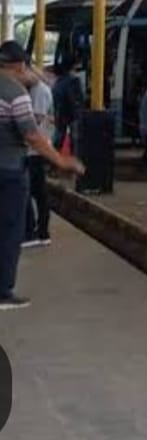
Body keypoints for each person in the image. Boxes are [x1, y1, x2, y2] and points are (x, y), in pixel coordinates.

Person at [0, 41, 83, 309]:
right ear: (19, 66)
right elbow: (32, 136)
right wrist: (62, 160)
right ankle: (3, 291)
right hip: (10, 170)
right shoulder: (16, 93)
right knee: (10, 229)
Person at [22, 60, 54, 248]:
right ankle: (37, 231)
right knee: (35, 191)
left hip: (36, 150)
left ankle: (38, 232)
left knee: (35, 192)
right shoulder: (33, 89)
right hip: (32, 149)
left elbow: (36, 119)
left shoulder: (40, 91)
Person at [52, 56, 83, 151]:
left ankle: (54, 159)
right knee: (75, 139)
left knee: (58, 137)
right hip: (73, 114)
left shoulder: (58, 81)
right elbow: (77, 98)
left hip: (60, 113)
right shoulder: (74, 81)